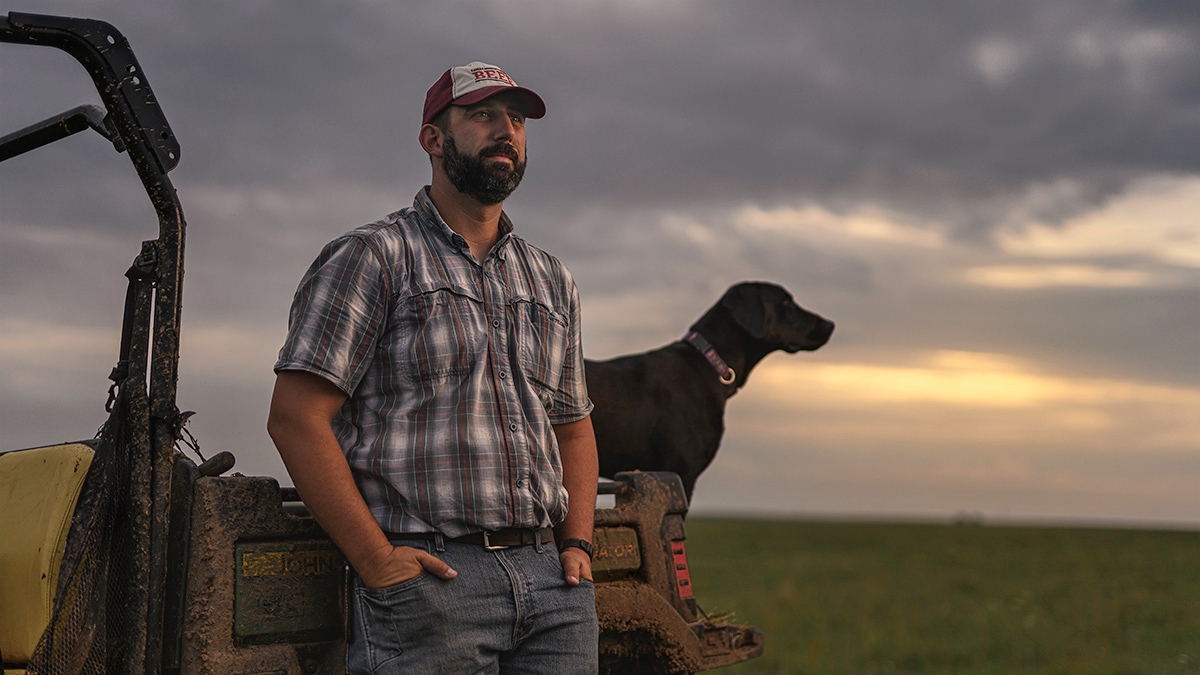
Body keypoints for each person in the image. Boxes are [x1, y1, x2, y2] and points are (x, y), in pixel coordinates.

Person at [267, 61, 599, 674]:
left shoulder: (552, 279)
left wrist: (575, 542)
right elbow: (295, 418)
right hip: (432, 580)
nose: (506, 130)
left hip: (553, 586)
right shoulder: (372, 257)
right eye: (482, 116)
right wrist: (376, 561)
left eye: (518, 120)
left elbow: (573, 427)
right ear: (432, 139)